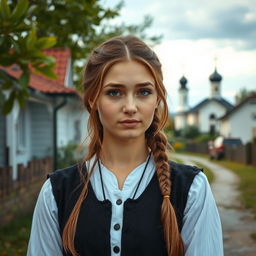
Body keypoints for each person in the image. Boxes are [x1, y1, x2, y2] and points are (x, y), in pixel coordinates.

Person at [27, 35, 223, 256]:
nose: (130, 106)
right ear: (93, 99)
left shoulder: (192, 189)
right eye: (114, 92)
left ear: (157, 99)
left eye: (144, 92)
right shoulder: (56, 193)